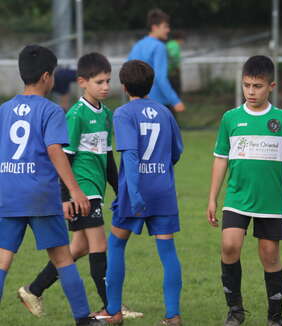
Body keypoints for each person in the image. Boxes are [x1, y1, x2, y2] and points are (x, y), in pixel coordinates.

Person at [17, 52, 143, 320]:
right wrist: (66, 197)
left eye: (108, 81)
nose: (106, 86)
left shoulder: (107, 114)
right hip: (83, 191)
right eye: (99, 81)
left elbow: (109, 159)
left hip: (95, 188)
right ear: (82, 82)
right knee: (99, 247)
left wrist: (122, 192)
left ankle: (33, 289)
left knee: (78, 249)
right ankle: (112, 308)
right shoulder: (75, 115)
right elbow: (65, 157)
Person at [0, 44, 102, 326]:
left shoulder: (4, 110)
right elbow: (56, 151)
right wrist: (75, 190)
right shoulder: (52, 110)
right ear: (46, 76)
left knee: (2, 260)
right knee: (62, 258)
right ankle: (83, 319)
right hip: (40, 195)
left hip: (8, 192)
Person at [207, 55, 282, 326]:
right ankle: (235, 311)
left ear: (271, 86)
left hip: (270, 200)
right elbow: (220, 158)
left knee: (269, 254)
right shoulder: (231, 119)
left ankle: (275, 317)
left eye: (257, 86)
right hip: (237, 196)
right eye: (247, 85)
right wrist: (213, 198)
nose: (251, 92)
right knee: (229, 245)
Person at [96, 60, 183, 326]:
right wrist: (161, 171)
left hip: (136, 190)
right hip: (163, 189)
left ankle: (114, 311)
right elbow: (177, 150)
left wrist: (133, 193)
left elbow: (131, 156)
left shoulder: (123, 114)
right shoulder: (165, 112)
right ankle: (172, 315)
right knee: (167, 251)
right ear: (151, 84)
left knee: (116, 244)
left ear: (124, 87)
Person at [128, 8, 185, 115]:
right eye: (165, 27)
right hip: (159, 104)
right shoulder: (159, 47)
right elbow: (160, 77)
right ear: (154, 28)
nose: (168, 30)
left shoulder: (137, 46)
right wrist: (175, 101)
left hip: (137, 103)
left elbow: (126, 74)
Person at [166, 31, 185, 97]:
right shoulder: (175, 45)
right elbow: (173, 57)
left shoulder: (168, 44)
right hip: (172, 72)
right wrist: (176, 67)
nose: (183, 43)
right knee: (176, 92)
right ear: (180, 39)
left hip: (166, 72)